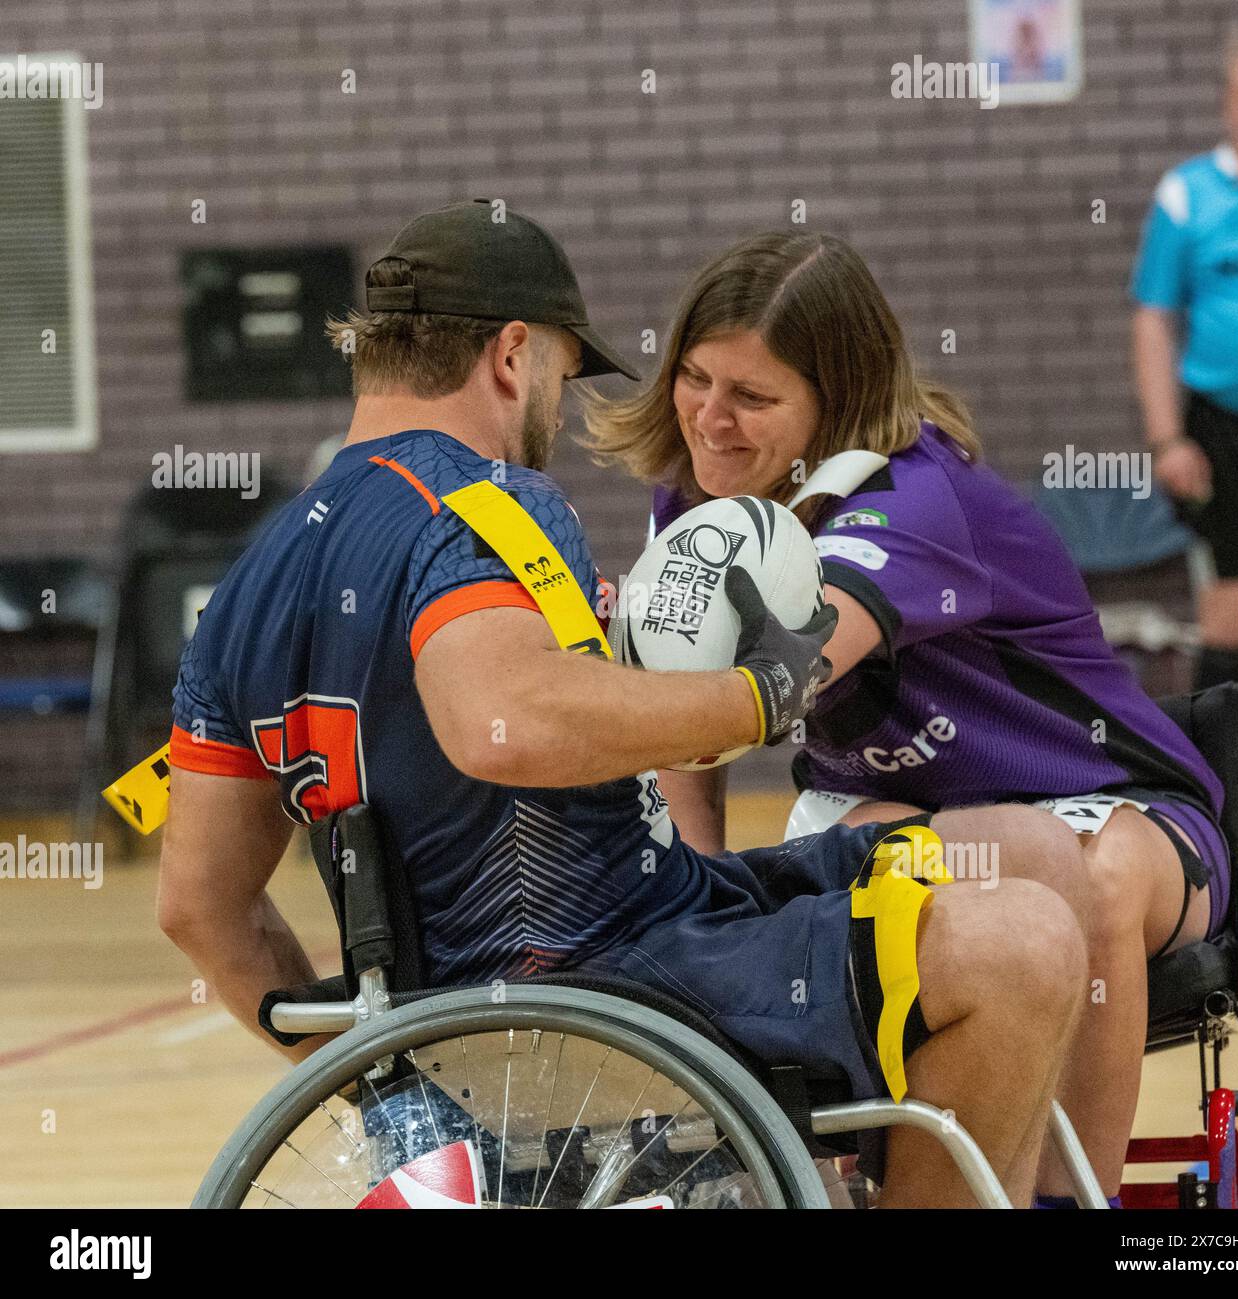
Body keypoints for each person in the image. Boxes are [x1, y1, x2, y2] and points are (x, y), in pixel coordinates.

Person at [156, 200, 1086, 1208]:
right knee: (1020, 947)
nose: (560, 399)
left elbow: (198, 906)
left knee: (1026, 855)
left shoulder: (251, 586)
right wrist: (754, 696)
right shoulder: (483, 502)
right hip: (605, 986)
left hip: (510, 1006)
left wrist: (378, 1073)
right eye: (563, 367)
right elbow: (502, 722)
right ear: (513, 354)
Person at [585, 228, 1231, 1205]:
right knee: (863, 874)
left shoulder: (915, 496)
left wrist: (598, 670)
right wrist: (696, 891)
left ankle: (1065, 1199)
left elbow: (774, 679)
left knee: (1086, 885)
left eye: (752, 397)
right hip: (888, 804)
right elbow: (694, 740)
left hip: (1112, 800)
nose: (709, 419)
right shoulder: (691, 495)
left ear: (834, 404)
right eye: (695, 378)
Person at [1132, 32, 1238, 696]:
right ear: (1228, 105)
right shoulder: (1186, 195)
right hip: (1225, 435)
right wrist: (1166, 437)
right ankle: (1220, 796)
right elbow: (1151, 316)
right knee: (1230, 613)